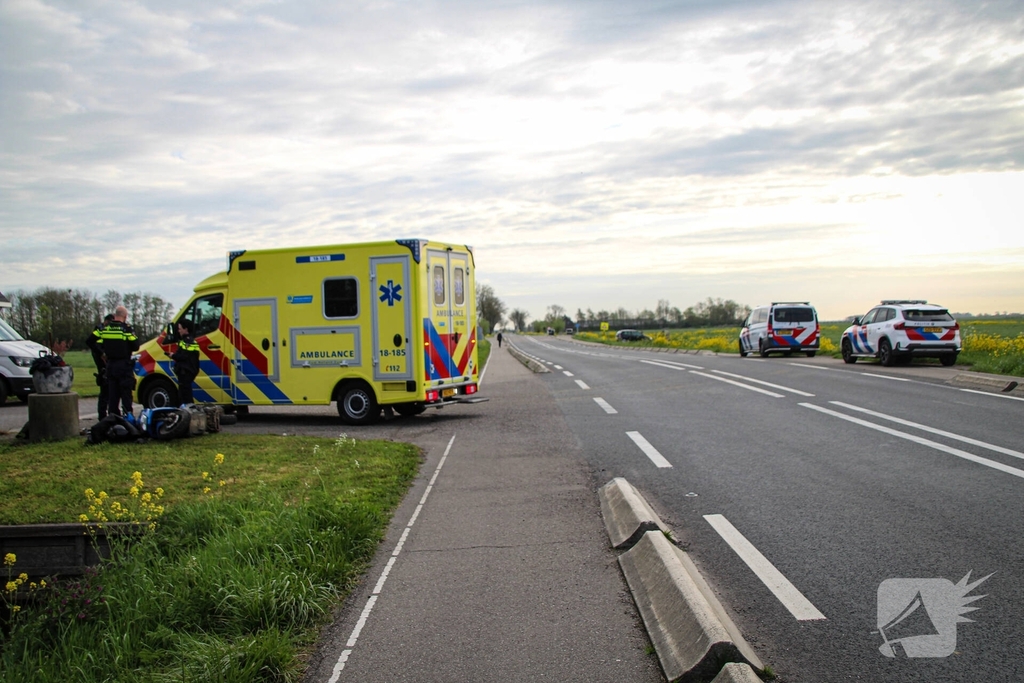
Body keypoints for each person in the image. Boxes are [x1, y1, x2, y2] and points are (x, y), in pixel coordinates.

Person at [87, 305, 140, 417]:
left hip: (110, 365)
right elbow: (136, 346)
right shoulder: (126, 330)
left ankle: (113, 419)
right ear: (125, 316)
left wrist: (101, 353)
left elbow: (89, 341)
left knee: (113, 396)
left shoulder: (104, 329)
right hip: (124, 366)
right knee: (126, 395)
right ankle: (127, 418)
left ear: (115, 315)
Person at [88, 314, 115, 418]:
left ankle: (104, 414)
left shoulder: (104, 329)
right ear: (106, 321)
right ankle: (102, 415)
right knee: (105, 387)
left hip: (104, 359)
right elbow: (90, 342)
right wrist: (101, 354)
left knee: (107, 388)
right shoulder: (100, 329)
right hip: (101, 360)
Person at [171, 319, 201, 405]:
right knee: (184, 394)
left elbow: (184, 356)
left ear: (186, 329)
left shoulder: (188, 342)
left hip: (186, 371)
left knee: (186, 396)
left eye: (180, 328)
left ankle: (188, 410)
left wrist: (173, 356)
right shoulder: (185, 341)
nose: (178, 331)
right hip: (185, 371)